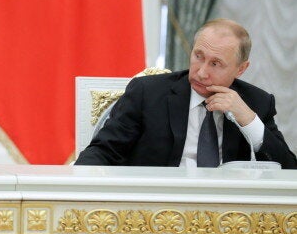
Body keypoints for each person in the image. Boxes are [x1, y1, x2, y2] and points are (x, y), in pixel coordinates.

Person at [75, 18, 297, 168]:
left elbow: (287, 169)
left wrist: (248, 120)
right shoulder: (148, 93)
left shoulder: (256, 102)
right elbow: (104, 151)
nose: (201, 72)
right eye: (198, 56)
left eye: (216, 64)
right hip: (153, 210)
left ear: (241, 69)